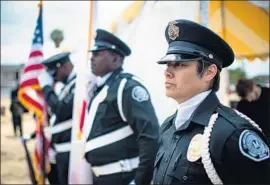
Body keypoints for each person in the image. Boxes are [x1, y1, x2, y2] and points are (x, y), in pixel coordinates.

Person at [152, 19, 270, 184]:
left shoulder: (232, 133)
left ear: (209, 72)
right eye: (167, 64)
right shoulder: (168, 127)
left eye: (179, 64)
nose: (167, 72)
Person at [83, 29, 160, 185]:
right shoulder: (101, 89)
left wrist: (140, 181)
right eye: (92, 55)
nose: (92, 59)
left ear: (115, 60)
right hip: (100, 177)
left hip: (123, 177)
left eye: (97, 54)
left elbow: (150, 137)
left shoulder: (126, 88)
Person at [37, 52, 76, 184]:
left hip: (71, 151)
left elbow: (61, 110)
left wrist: (47, 88)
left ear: (64, 67)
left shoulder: (78, 84)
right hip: (60, 150)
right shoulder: (67, 86)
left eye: (54, 72)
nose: (52, 77)